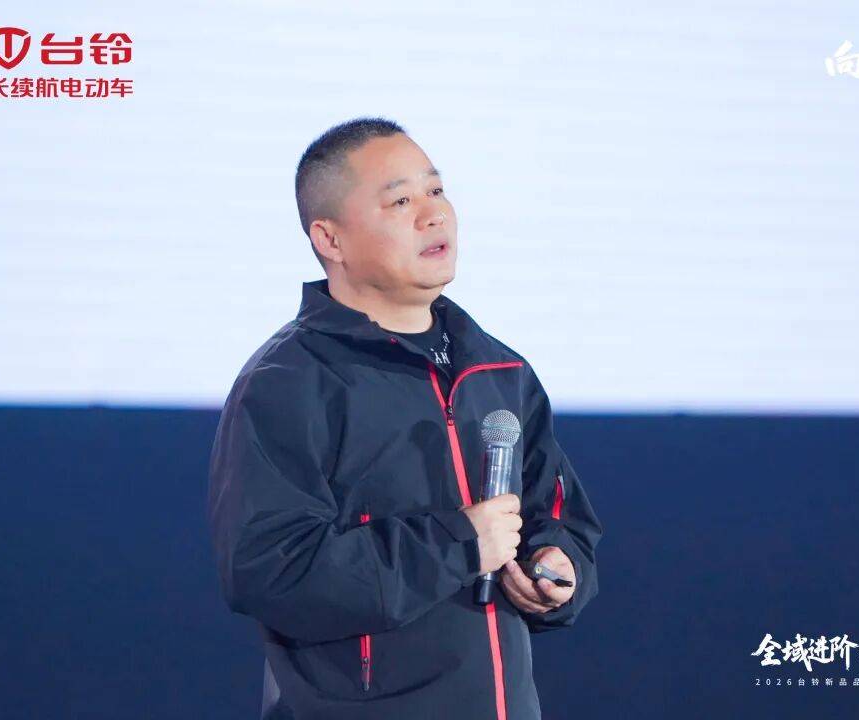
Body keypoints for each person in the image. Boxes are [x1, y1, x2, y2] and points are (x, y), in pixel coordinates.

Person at [207, 117, 603, 720]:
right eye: (400, 201)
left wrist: (556, 566)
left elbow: (558, 515)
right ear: (330, 239)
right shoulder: (290, 382)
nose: (433, 214)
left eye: (436, 191)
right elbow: (272, 572)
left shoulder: (499, 370)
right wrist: (459, 543)